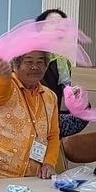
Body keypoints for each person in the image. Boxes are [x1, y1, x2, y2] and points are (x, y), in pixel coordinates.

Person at [0, 50, 60, 181]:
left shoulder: (50, 96)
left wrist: (49, 162)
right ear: (16, 65)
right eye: (29, 61)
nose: (35, 66)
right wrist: (4, 76)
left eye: (40, 62)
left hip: (31, 176)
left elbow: (52, 135)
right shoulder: (6, 85)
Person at [35, 8, 89, 137]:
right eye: (53, 23)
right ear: (39, 28)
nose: (58, 28)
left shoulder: (62, 61)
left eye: (62, 24)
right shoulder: (28, 58)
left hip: (51, 123)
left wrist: (74, 97)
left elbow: (62, 99)